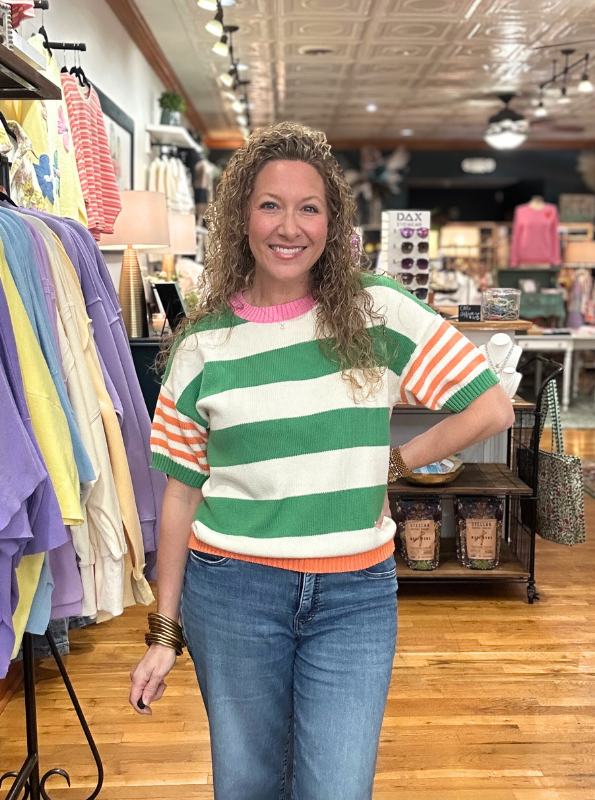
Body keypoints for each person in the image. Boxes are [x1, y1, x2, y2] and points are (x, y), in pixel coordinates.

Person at [129, 122, 514, 800]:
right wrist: (164, 630)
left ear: (332, 223)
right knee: (247, 784)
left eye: (310, 207)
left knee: (337, 787)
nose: (290, 225)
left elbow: (489, 407)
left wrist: (394, 466)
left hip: (355, 598)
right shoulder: (201, 347)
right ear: (240, 216)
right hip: (233, 592)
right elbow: (180, 494)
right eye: (270, 204)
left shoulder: (378, 313)